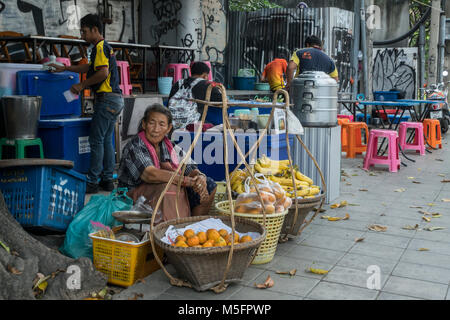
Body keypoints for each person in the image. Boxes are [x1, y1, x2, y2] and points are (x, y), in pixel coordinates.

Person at [49, 14, 124, 194]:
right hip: (115, 99)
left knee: (96, 140)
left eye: (84, 31)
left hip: (106, 99)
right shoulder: (103, 47)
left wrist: (81, 85)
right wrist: (66, 68)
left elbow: (103, 73)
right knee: (105, 139)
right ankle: (106, 180)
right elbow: (90, 68)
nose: (82, 35)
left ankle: (92, 181)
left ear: (94, 30)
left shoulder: (100, 47)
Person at [118, 104, 217, 219]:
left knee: (209, 185)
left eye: (161, 124)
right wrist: (185, 181)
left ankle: (192, 225)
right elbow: (150, 174)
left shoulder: (168, 145)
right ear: (144, 124)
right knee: (169, 186)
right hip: (132, 197)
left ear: (168, 128)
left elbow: (189, 166)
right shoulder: (135, 145)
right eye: (151, 123)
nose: (156, 129)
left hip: (158, 193)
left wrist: (200, 178)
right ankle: (168, 229)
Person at [167, 61, 222, 130]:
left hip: (171, 125)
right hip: (192, 127)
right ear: (205, 75)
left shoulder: (178, 83)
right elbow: (224, 101)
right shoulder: (207, 85)